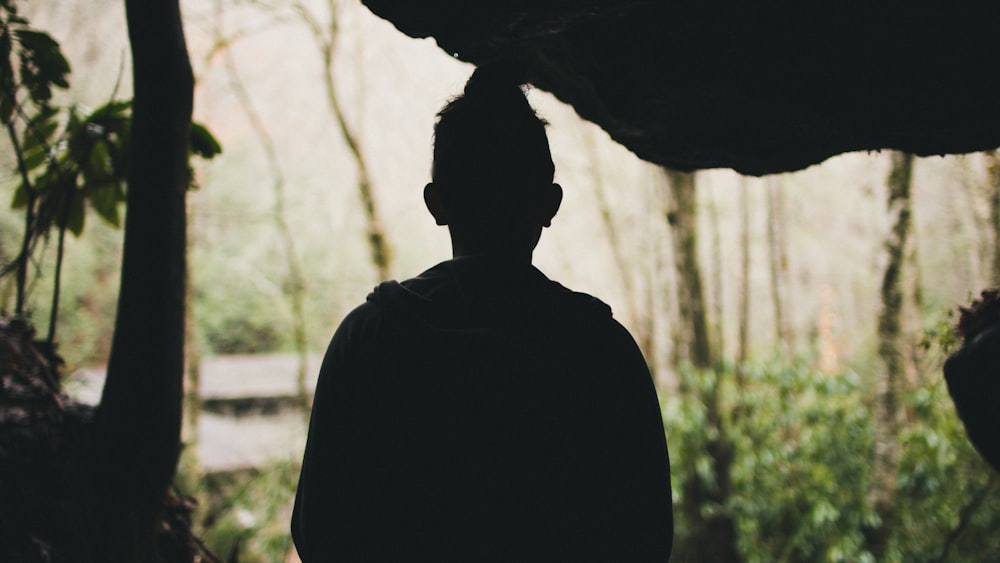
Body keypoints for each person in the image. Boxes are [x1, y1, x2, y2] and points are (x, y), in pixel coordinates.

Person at [291, 63, 673, 561]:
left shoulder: (370, 338)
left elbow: (320, 533)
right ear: (549, 204)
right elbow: (646, 539)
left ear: (436, 203)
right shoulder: (602, 351)